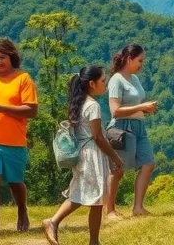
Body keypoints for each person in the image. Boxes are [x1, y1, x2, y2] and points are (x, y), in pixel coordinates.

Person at [41, 66, 124, 245]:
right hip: (93, 154)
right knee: (95, 199)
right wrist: (114, 157)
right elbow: (98, 137)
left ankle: (57, 223)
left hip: (82, 154)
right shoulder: (93, 106)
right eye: (103, 80)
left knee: (82, 194)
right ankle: (90, 239)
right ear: (92, 84)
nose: (105, 84)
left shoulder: (79, 103)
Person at [0, 38, 38, 240]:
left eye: (2, 57)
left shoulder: (23, 79)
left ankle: (22, 210)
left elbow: (31, 110)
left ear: (11, 57)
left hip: (14, 141)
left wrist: (3, 108)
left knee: (15, 182)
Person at [104, 43, 158, 220]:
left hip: (139, 127)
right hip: (122, 128)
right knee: (117, 170)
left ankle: (138, 208)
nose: (142, 64)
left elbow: (135, 104)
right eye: (140, 60)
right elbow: (115, 111)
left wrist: (145, 109)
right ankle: (110, 210)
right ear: (129, 59)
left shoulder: (134, 79)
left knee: (148, 164)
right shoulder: (116, 80)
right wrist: (142, 106)